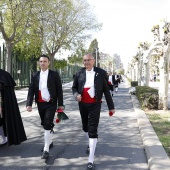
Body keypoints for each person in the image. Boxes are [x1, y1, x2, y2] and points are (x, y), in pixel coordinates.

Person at [72, 53, 115, 170]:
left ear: (93, 61)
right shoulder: (79, 73)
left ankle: (90, 159)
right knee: (85, 127)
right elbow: (74, 87)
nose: (86, 62)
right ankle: (91, 142)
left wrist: (111, 107)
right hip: (83, 104)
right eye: (84, 60)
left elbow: (106, 90)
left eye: (88, 60)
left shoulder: (101, 73)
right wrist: (76, 95)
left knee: (92, 129)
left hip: (95, 104)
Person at [26, 54, 64, 159]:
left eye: (45, 61)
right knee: (44, 123)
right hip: (40, 103)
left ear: (48, 63)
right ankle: (50, 141)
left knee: (47, 123)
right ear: (39, 63)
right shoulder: (35, 75)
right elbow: (31, 90)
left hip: (51, 103)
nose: (42, 63)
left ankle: (46, 149)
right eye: (41, 61)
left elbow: (59, 90)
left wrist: (61, 104)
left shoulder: (54, 74)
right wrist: (29, 104)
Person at [0, 69, 27, 146]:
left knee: (2, 121)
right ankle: (4, 138)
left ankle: (5, 138)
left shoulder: (4, 75)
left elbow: (7, 92)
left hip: (3, 104)